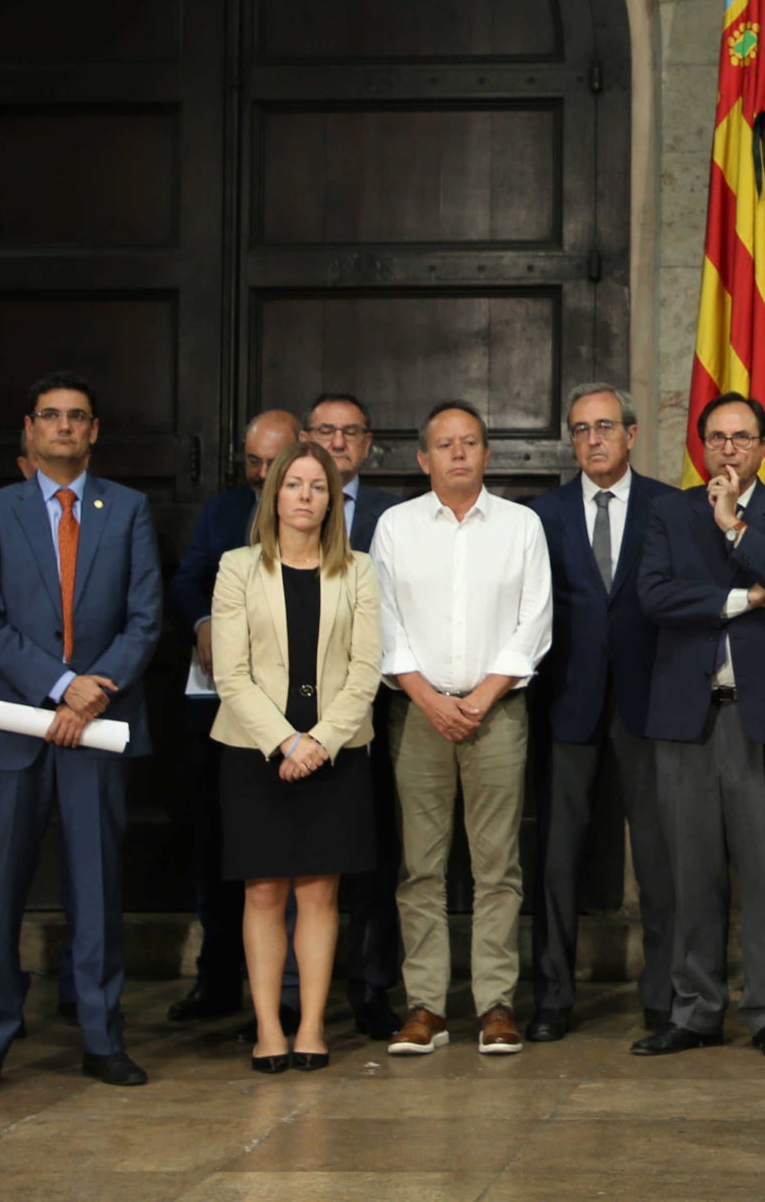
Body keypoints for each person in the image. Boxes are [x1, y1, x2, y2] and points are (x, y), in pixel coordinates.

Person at [0, 372, 163, 1097]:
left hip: (98, 726)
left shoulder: (128, 508)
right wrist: (58, 685)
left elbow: (145, 619)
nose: (65, 426)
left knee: (97, 887)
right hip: (16, 724)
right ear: (31, 428)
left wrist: (92, 688)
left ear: (94, 430)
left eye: (78, 416)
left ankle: (103, 1038)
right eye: (51, 415)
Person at [372, 400, 552, 1058]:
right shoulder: (394, 526)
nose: (457, 453)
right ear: (423, 459)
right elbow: (383, 620)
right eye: (444, 444)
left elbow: (534, 621)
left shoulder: (521, 525)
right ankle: (425, 1005)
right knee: (420, 864)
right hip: (416, 713)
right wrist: (425, 694)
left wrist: (478, 696)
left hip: (496, 711)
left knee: (496, 863)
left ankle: (496, 1003)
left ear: (485, 453)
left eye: (469, 441)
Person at [636, 393, 765, 1059]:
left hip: (762, 719)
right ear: (701, 445)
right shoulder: (670, 511)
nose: (728, 450)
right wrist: (739, 598)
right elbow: (655, 595)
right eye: (717, 438)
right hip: (688, 718)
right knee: (692, 872)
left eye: (742, 437)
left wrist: (737, 526)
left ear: (764, 444)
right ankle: (696, 1007)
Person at [210, 441, 382, 1073]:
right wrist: (285, 742)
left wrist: (319, 743)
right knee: (262, 892)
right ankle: (267, 1029)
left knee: (320, 893)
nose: (305, 496)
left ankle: (310, 1027)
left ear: (332, 499)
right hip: (255, 749)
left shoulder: (357, 569)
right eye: (293, 484)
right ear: (272, 495)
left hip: (336, 752)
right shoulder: (237, 568)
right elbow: (230, 674)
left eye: (317, 486)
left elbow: (366, 670)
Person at [524, 384, 675, 1043]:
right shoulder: (540, 515)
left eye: (605, 426)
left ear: (632, 433)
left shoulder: (672, 506)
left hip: (651, 701)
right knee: (558, 855)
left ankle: (666, 995)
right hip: (567, 700)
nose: (593, 439)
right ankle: (554, 994)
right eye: (581, 428)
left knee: (660, 853)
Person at [164, 409, 303, 1026]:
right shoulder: (224, 512)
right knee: (218, 844)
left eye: (274, 461)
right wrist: (201, 624)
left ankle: (289, 993)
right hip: (222, 710)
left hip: (296, 711)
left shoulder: (313, 508)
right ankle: (217, 978)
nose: (263, 473)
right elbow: (188, 581)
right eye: (253, 461)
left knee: (290, 854)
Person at [302, 391, 406, 1040]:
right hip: (296, 713)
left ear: (369, 444)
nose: (339, 443)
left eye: (351, 433)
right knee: (295, 857)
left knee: (373, 855)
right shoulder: (282, 506)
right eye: (326, 431)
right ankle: (292, 992)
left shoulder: (398, 517)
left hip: (378, 706)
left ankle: (371, 984)